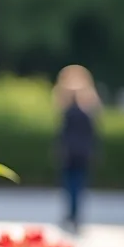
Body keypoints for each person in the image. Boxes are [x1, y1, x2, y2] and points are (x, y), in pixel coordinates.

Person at [53, 65, 99, 233]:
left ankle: (71, 215)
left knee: (70, 186)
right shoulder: (88, 112)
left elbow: (62, 135)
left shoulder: (68, 112)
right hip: (83, 154)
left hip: (70, 154)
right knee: (78, 186)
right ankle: (75, 215)